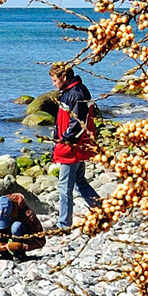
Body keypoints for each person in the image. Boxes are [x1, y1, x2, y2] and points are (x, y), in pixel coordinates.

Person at [49, 62, 102, 229]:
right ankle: (101, 209)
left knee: (64, 187)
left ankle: (64, 224)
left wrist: (64, 141)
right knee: (79, 181)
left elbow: (78, 123)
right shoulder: (72, 92)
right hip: (74, 146)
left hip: (71, 148)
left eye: (55, 80)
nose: (54, 84)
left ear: (64, 77)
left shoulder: (76, 93)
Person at [0, 194, 45, 260]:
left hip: (19, 233)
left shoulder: (27, 214)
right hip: (4, 234)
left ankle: (19, 255)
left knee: (17, 226)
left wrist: (21, 246)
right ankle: (3, 253)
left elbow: (41, 240)